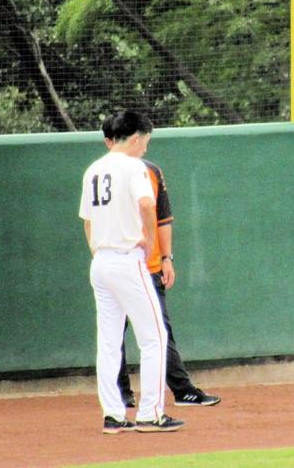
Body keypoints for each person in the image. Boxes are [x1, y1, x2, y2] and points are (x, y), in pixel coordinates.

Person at [101, 114, 221, 408]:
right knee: (125, 337)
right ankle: (127, 399)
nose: (145, 147)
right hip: (127, 264)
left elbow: (162, 217)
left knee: (156, 331)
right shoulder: (106, 173)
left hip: (144, 267)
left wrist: (166, 257)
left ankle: (181, 390)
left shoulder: (147, 170)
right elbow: (139, 209)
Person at [79, 110, 185, 434]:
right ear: (136, 138)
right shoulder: (133, 166)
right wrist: (150, 241)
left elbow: (87, 221)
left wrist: (98, 251)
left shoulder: (94, 169)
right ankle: (151, 414)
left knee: (109, 341)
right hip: (127, 260)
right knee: (154, 337)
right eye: (145, 142)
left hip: (101, 262)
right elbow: (146, 204)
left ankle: (113, 414)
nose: (145, 148)